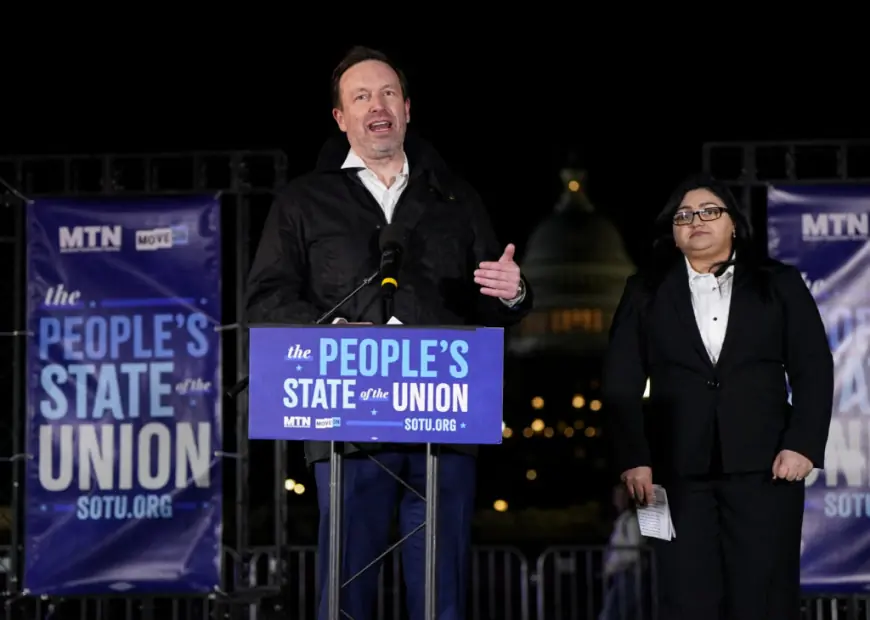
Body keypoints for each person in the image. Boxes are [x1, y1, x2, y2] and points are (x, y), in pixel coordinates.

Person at [244, 46, 534, 620]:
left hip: (444, 419)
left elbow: (494, 298)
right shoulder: (303, 200)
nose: (377, 106)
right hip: (346, 416)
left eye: (387, 94)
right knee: (347, 586)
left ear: (406, 108)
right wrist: (333, 330)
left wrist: (514, 292)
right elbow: (267, 298)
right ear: (340, 118)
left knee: (441, 589)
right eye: (360, 97)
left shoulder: (455, 197)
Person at [601, 173, 834, 620]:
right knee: (686, 601)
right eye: (683, 215)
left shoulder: (778, 282)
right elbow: (619, 383)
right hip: (676, 474)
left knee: (763, 599)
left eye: (710, 211)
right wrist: (634, 456)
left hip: (768, 470)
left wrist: (802, 444)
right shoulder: (644, 290)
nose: (696, 221)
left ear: (732, 224)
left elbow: (813, 366)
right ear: (672, 231)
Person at [599, 484, 646, 620]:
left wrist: (615, 564)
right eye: (616, 496)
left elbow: (634, 552)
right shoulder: (622, 521)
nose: (618, 500)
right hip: (621, 576)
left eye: (621, 496)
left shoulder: (631, 522)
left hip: (629, 575)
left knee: (611, 615)